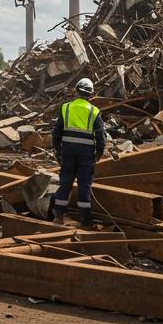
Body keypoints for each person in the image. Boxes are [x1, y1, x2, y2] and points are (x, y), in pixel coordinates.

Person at [52, 77, 106, 226]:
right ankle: (84, 219)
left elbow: (56, 132)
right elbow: (100, 135)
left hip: (68, 152)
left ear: (76, 91)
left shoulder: (66, 108)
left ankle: (58, 216)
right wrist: (99, 153)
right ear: (91, 94)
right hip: (86, 154)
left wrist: (57, 150)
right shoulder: (94, 111)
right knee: (84, 184)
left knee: (65, 182)